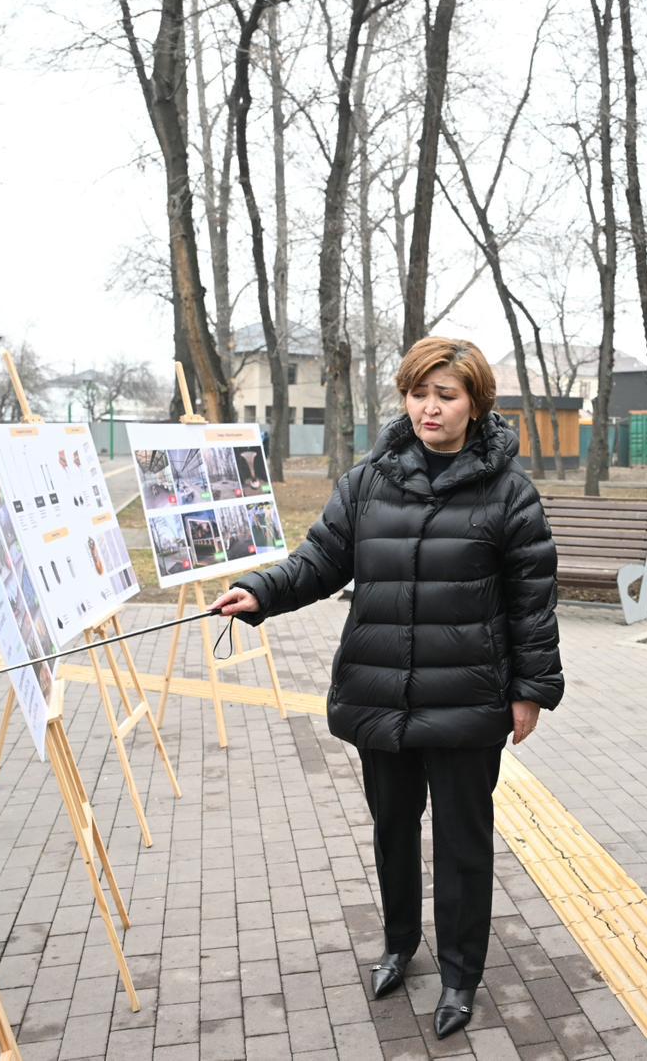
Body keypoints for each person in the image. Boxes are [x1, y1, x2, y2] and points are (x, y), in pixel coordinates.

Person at [213, 337, 563, 1039]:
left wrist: (530, 690)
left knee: (462, 844)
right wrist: (260, 590)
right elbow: (320, 559)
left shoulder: (509, 492)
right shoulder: (368, 479)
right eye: (418, 393)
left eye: (446, 395)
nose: (430, 408)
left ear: (475, 404)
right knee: (393, 829)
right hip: (380, 692)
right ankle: (400, 944)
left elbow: (532, 602)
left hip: (467, 700)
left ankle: (461, 974)